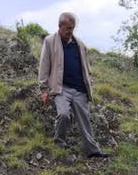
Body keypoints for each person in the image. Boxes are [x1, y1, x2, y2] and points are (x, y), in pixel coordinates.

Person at [38, 12, 108, 158]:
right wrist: (43, 89)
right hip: (61, 88)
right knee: (63, 114)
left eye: (72, 28)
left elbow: (86, 66)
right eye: (68, 28)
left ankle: (91, 149)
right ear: (60, 26)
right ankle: (59, 143)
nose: (70, 31)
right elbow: (44, 66)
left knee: (85, 119)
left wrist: (89, 81)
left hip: (79, 88)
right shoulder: (50, 41)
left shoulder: (80, 44)